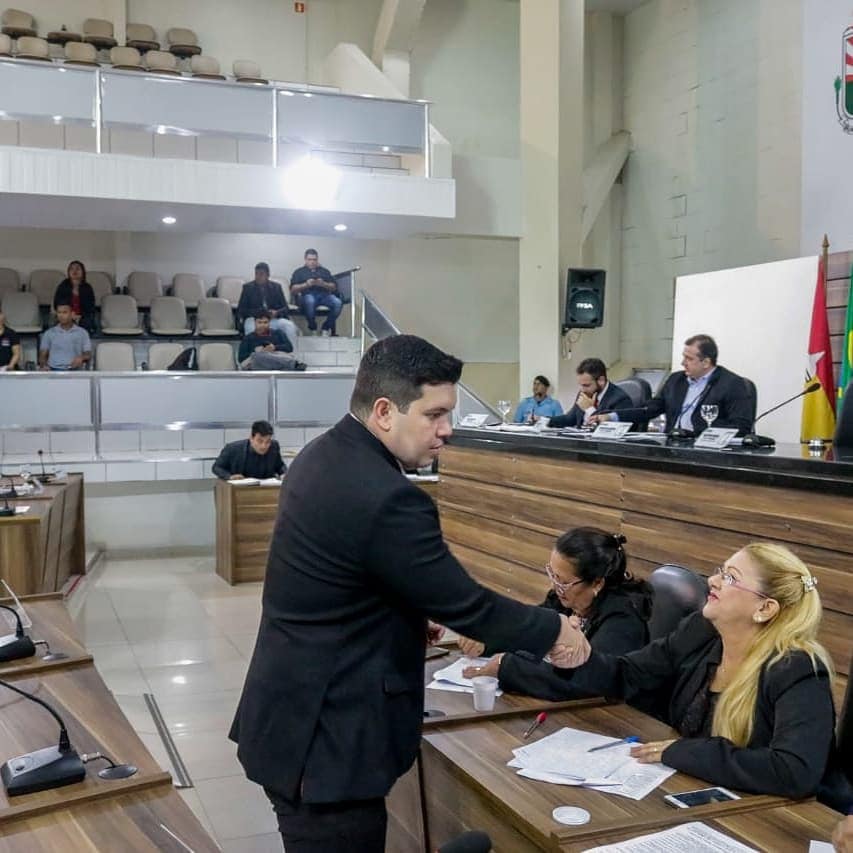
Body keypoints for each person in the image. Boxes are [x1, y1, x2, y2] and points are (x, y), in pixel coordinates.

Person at [228, 334, 587, 853]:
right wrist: (555, 629)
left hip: (290, 716)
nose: (447, 431)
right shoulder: (386, 496)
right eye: (435, 414)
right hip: (327, 741)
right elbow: (468, 605)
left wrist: (403, 615)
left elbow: (345, 579)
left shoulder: (322, 454)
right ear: (384, 411)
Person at [556, 542, 838, 799]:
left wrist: (684, 751)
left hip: (768, 818)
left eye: (730, 578)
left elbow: (794, 771)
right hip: (689, 790)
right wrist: (579, 658)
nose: (712, 581)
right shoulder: (701, 632)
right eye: (720, 571)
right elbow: (629, 674)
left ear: (765, 608)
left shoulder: (798, 668)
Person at [459, 528, 653, 702]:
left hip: (612, 719)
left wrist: (505, 667)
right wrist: (488, 640)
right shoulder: (566, 600)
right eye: (552, 575)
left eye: (563, 582)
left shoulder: (623, 619)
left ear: (596, 583)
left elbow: (584, 682)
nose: (555, 586)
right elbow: (531, 630)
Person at [592, 334, 753, 435]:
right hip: (673, 445)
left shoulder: (732, 384)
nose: (683, 363)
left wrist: (704, 432)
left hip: (707, 452)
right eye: (684, 357)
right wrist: (611, 416)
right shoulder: (676, 380)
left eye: (689, 359)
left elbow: (741, 426)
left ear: (706, 362)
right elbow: (650, 409)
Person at [547, 359, 632, 428]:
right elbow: (570, 419)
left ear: (601, 380)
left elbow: (611, 430)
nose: (582, 390)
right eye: (581, 385)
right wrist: (543, 420)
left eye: (586, 385)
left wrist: (589, 409)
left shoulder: (620, 399)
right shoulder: (584, 393)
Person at [237, 262, 298, 349]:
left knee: (289, 325)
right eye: (256, 274)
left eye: (261, 274)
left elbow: (285, 308)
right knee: (249, 327)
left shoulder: (276, 287)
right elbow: (241, 309)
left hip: (273, 319)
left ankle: (292, 356)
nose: (258, 276)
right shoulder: (248, 288)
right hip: (255, 319)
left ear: (268, 275)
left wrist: (276, 312)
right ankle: (252, 357)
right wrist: (259, 312)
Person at [290, 248, 343, 336]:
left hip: (324, 295)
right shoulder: (299, 272)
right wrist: (306, 284)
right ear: (305, 259)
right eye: (310, 259)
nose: (312, 262)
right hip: (307, 295)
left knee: (338, 302)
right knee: (310, 300)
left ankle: (325, 328)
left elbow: (334, 287)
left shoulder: (324, 271)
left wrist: (323, 284)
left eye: (314, 259)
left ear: (317, 259)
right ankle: (312, 327)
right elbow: (293, 290)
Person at [212, 421, 285, 480]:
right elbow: (217, 467)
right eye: (260, 441)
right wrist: (229, 476)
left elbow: (280, 466)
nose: (264, 446)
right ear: (251, 438)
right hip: (241, 491)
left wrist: (284, 474)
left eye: (268, 442)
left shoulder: (274, 446)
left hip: (265, 490)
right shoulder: (233, 449)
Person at [237, 311, 304, 371]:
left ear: (269, 323)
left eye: (265, 322)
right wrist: (257, 351)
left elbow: (289, 347)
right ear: (255, 323)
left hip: (276, 357)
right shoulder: (248, 338)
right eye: (259, 322)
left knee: (277, 356)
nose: (262, 325)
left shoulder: (278, 333)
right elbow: (241, 358)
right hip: (257, 362)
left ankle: (284, 365)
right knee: (258, 355)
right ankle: (293, 365)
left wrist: (274, 347)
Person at [38, 302, 91, 371]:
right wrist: (44, 365)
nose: (61, 315)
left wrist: (81, 357)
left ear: (72, 314)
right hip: (54, 370)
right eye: (59, 312)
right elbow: (42, 355)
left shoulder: (82, 333)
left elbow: (88, 354)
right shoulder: (49, 333)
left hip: (75, 370)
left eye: (64, 312)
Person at [53, 260, 96, 334]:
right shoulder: (63, 286)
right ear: (68, 272)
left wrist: (80, 316)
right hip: (66, 314)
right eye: (72, 269)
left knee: (86, 322)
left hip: (82, 316)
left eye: (77, 269)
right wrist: (70, 314)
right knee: (63, 320)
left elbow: (90, 306)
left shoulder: (87, 288)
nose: (74, 271)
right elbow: (57, 303)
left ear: (83, 272)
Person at [0, 307, 21, 372]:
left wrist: (11, 366)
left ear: (3, 316)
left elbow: (16, 354)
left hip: (7, 368)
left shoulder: (11, 333)